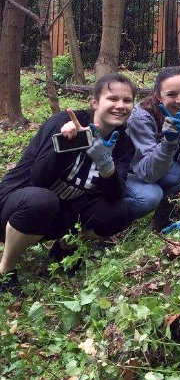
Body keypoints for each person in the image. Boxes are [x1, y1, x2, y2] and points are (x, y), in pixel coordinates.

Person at [0, 74, 136, 295]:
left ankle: (63, 249)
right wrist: (66, 145)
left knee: (119, 212)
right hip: (16, 206)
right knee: (42, 200)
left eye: (127, 100)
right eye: (112, 99)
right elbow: (38, 179)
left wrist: (106, 166)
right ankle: (5, 271)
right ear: (95, 102)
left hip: (64, 210)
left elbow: (114, 196)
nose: (120, 106)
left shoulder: (123, 143)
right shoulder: (64, 124)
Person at [126, 67, 180, 231]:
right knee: (150, 196)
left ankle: (162, 221)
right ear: (158, 95)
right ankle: (115, 223)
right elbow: (146, 173)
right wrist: (169, 142)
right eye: (171, 94)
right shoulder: (141, 116)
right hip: (131, 174)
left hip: (159, 167)